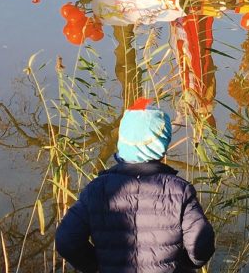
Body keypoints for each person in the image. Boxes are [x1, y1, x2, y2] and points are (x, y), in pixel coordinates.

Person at [55, 98, 215, 273]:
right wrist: (184, 266)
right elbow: (202, 243)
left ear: (123, 141)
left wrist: (96, 266)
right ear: (162, 144)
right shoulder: (179, 190)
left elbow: (66, 240)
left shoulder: (96, 190)